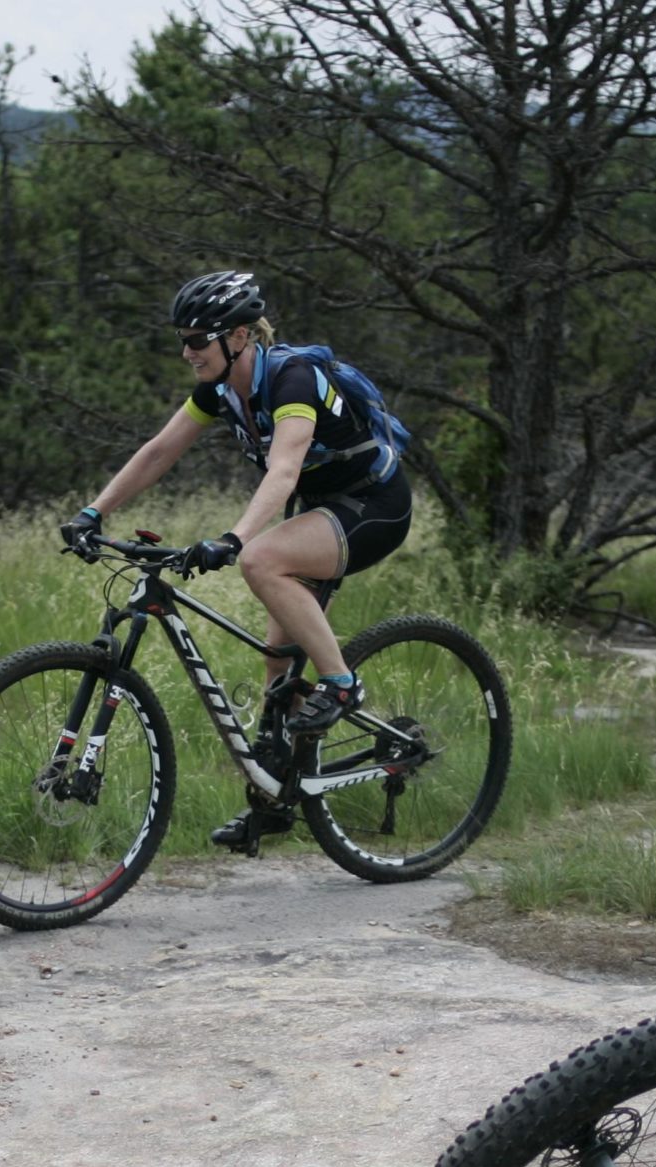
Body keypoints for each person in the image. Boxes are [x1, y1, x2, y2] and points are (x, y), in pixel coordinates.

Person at [59, 270, 414, 850]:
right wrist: (92, 513)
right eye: (182, 339)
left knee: (262, 561)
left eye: (198, 340)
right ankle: (279, 800)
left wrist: (236, 537)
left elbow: (285, 469)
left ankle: (344, 685)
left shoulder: (294, 379)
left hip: (374, 505)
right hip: (322, 508)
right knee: (279, 669)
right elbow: (158, 452)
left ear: (241, 337)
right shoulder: (220, 390)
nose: (186, 352)